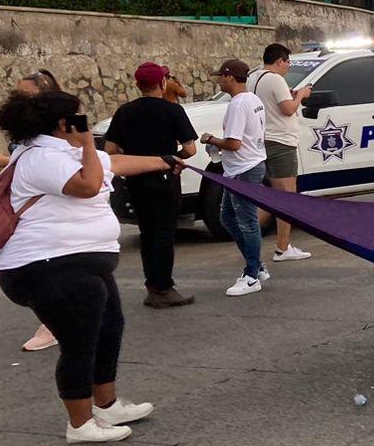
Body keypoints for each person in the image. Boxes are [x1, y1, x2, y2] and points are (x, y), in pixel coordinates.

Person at [0, 89, 176, 442]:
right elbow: (90, 184)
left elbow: (118, 164)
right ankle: (79, 424)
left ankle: (106, 404)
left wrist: (164, 160)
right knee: (80, 342)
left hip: (79, 264)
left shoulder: (65, 151)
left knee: (109, 328)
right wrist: (90, 143)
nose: (85, 123)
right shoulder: (42, 157)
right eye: (79, 118)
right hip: (49, 265)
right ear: (64, 123)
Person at [101, 62, 199, 309]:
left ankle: (152, 285)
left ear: (137, 85)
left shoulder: (124, 112)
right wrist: (175, 157)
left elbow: (110, 150)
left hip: (135, 180)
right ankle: (164, 287)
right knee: (165, 233)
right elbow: (190, 148)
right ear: (163, 83)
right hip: (165, 179)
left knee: (147, 233)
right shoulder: (172, 110)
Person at [0, 70, 64, 353]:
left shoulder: (57, 127)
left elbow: (49, 162)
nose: (19, 99)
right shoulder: (24, 126)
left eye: (25, 94)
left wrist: (2, 161)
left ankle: (54, 323)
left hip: (46, 210)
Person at [204, 60, 269, 297]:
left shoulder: (238, 105)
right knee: (228, 218)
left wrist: (211, 140)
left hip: (244, 169)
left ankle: (252, 274)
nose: (219, 80)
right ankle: (257, 266)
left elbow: (233, 143)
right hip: (245, 167)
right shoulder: (253, 100)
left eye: (220, 76)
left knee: (246, 221)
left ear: (230, 77)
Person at [246, 44, 313, 263]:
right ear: (280, 61)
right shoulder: (275, 79)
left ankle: (249, 234)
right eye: (288, 63)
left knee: (274, 195)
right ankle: (282, 248)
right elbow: (288, 109)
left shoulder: (254, 77)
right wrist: (301, 95)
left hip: (265, 139)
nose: (288, 67)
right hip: (281, 142)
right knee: (286, 196)